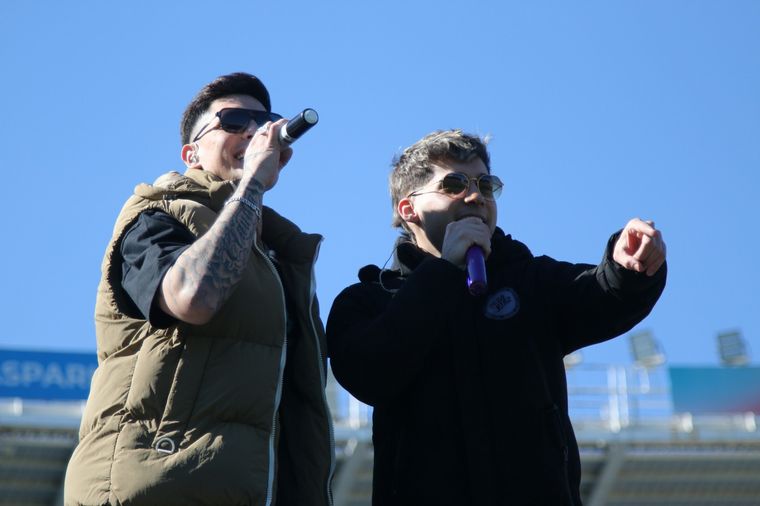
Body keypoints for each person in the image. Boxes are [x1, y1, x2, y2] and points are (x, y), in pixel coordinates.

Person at [326, 129, 667, 505]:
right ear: (409, 210)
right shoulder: (368, 302)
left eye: (486, 185)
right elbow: (369, 372)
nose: (475, 196)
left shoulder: (528, 280)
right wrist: (444, 274)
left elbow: (603, 293)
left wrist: (628, 266)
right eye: (454, 184)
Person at [65, 72, 334, 506]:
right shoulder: (155, 214)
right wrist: (252, 186)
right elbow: (194, 297)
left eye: (265, 121)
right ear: (191, 153)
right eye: (234, 121)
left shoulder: (283, 259)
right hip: (154, 486)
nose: (255, 131)